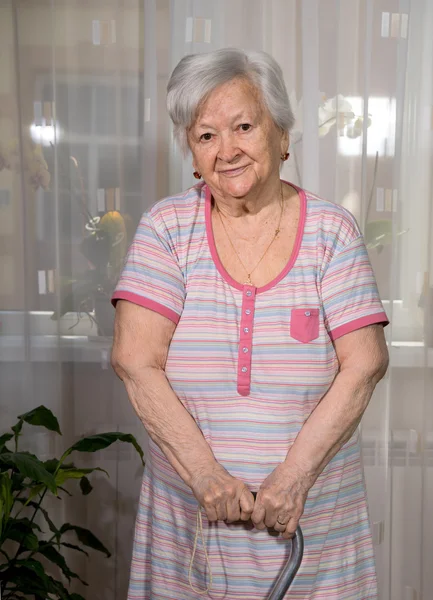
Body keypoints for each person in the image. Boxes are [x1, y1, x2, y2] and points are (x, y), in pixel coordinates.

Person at [111, 47, 389, 599]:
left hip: (313, 532)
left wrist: (292, 480)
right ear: (191, 152)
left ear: (282, 136)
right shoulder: (166, 229)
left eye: (244, 126)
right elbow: (135, 361)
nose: (227, 150)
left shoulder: (332, 232)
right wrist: (206, 477)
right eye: (206, 135)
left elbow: (364, 364)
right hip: (187, 530)